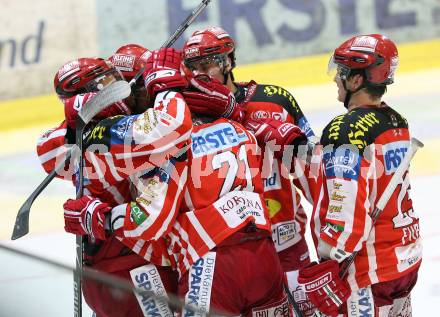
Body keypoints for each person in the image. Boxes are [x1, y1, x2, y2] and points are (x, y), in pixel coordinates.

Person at [38, 45, 189, 317]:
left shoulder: (87, 133)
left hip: (109, 269)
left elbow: (47, 150)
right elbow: (170, 127)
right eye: (136, 84)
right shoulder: (117, 132)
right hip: (134, 269)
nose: (141, 91)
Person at [180, 26, 317, 315]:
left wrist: (330, 240)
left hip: (285, 242)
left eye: (209, 64)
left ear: (229, 60)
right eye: (193, 67)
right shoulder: (187, 113)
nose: (202, 74)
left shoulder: (275, 100)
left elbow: (311, 169)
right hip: (227, 250)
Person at [297, 34, 422, 317]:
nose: (335, 79)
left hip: (368, 270)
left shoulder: (345, 129)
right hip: (405, 258)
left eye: (341, 72)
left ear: (356, 81)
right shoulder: (395, 120)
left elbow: (346, 206)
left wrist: (330, 259)